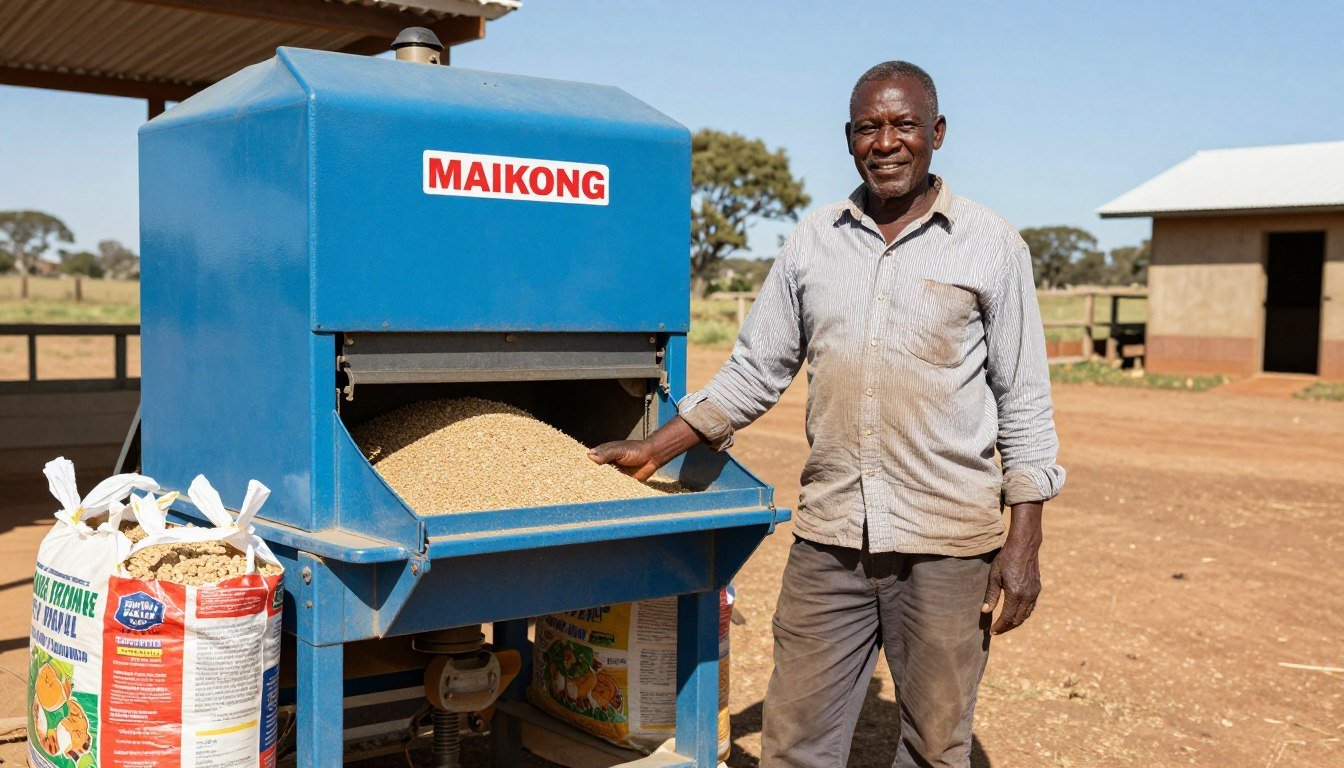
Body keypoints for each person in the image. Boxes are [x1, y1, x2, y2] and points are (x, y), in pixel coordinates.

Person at [589, 60, 1064, 768]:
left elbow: (1023, 398)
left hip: (948, 542)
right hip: (831, 538)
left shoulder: (991, 245)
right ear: (849, 138)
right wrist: (656, 447)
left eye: (904, 125)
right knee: (795, 743)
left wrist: (1023, 542)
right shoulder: (814, 241)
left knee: (936, 745)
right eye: (870, 126)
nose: (887, 141)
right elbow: (758, 368)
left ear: (935, 133)